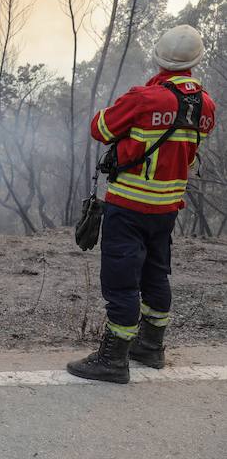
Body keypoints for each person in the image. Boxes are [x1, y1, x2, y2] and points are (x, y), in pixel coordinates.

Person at [67, 25, 216, 384]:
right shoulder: (206, 105)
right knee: (156, 274)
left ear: (158, 57)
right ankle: (152, 346)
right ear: (196, 62)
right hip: (167, 209)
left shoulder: (145, 97)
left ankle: (114, 359)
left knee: (120, 280)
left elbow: (99, 128)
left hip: (129, 205)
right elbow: (191, 150)